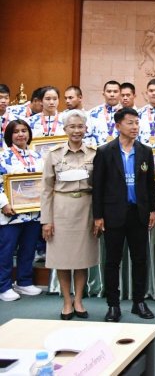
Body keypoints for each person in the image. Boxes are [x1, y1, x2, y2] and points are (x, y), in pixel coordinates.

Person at [93, 107, 155, 322]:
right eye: (130, 123)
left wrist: (153, 209)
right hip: (113, 214)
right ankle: (113, 305)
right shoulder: (104, 152)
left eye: (137, 123)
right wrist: (98, 215)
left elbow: (150, 185)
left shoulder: (145, 151)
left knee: (140, 259)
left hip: (138, 213)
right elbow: (98, 187)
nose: (135, 127)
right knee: (113, 261)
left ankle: (139, 302)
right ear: (118, 125)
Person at [40, 110, 99, 319]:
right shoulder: (54, 154)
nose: (76, 131)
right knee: (63, 259)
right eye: (72, 127)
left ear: (85, 129)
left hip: (86, 208)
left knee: (81, 258)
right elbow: (46, 189)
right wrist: (46, 220)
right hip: (61, 209)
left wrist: (99, 217)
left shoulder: (94, 153)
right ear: (65, 129)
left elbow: (100, 187)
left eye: (80, 126)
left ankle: (79, 300)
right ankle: (66, 302)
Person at [0, 119, 44, 301]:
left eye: (24, 130)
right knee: (7, 250)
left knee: (29, 248)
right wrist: (3, 203)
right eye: (16, 131)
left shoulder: (38, 156)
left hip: (33, 211)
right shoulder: (3, 156)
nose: (21, 134)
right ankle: (3, 286)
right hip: (11, 213)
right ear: (10, 136)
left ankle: (24, 282)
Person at [85, 80, 121, 147]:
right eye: (109, 91)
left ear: (120, 94)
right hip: (98, 153)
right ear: (103, 94)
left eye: (115, 92)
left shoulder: (127, 114)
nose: (112, 94)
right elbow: (86, 136)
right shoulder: (92, 113)